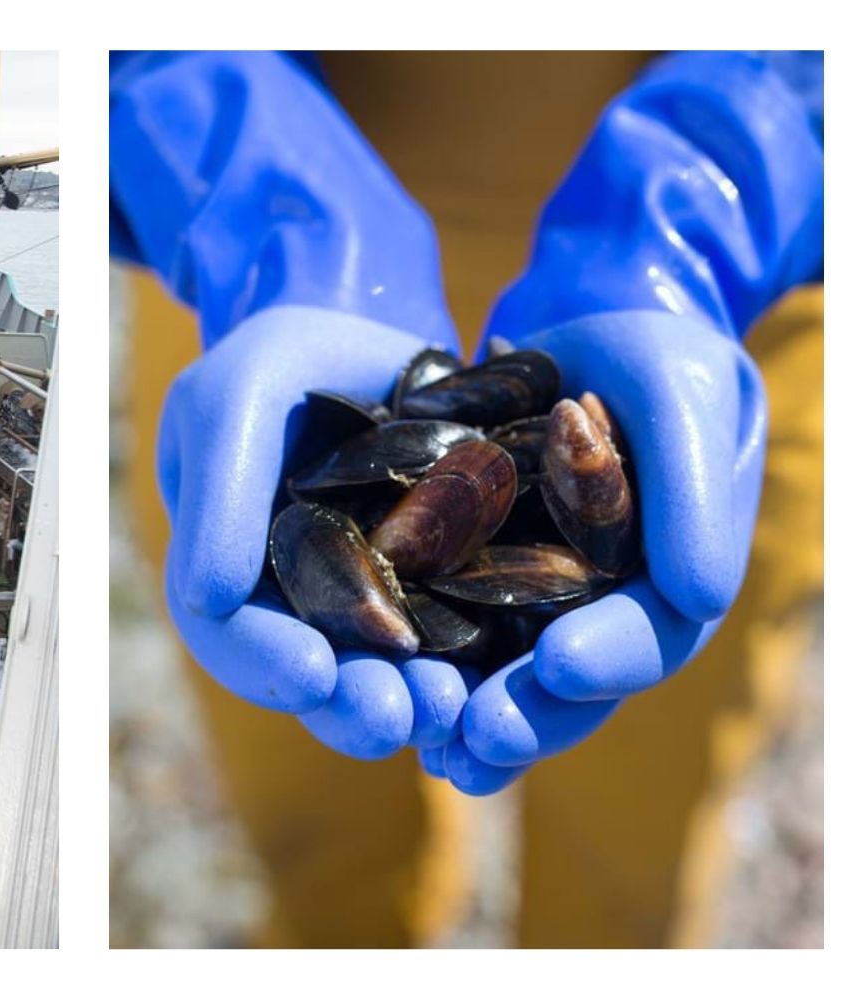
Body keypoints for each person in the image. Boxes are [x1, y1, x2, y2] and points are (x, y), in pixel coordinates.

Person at [111, 51, 822, 946]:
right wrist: (264, 215)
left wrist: (712, 214)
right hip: (256, 283)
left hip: (725, 300)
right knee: (312, 827)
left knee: (636, 850)